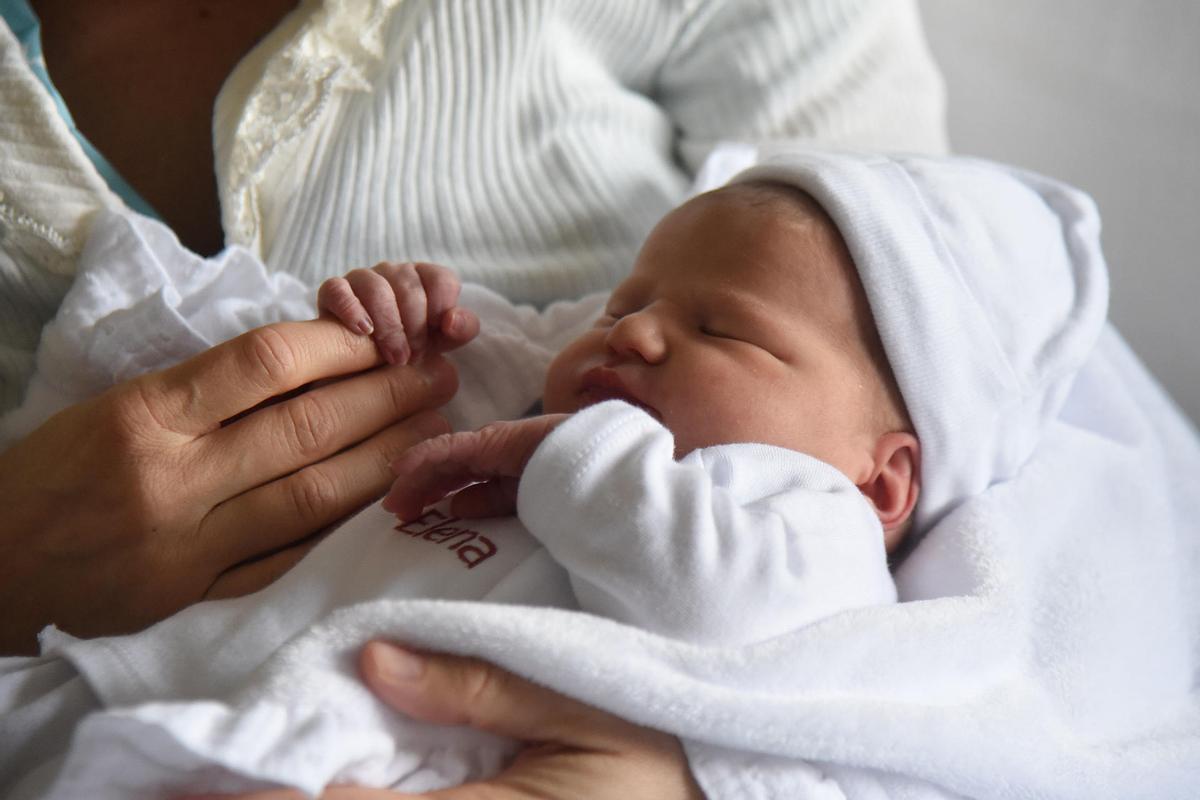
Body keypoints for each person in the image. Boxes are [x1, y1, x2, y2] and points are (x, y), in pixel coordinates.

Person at [0, 1, 949, 796]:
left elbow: (754, 602)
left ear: (886, 482)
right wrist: (398, 317)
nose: (635, 331)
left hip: (417, 745)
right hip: (158, 688)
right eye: (626, 302)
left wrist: (716, 778)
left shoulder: (814, 527)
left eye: (724, 331)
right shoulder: (542, 394)